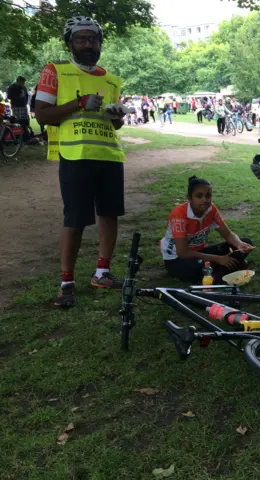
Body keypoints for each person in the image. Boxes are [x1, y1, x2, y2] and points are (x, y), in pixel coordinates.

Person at [34, 16, 129, 308]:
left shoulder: (111, 78)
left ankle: (102, 272)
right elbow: (42, 115)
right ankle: (66, 283)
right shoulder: (55, 71)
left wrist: (117, 117)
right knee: (75, 220)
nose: (89, 44)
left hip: (109, 155)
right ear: (70, 43)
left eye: (93, 39)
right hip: (75, 156)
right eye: (82, 39)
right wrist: (78, 102)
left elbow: (115, 126)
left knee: (109, 215)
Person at [161, 176, 255, 283]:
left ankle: (225, 269)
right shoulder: (179, 215)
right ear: (189, 198)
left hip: (198, 253)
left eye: (208, 196)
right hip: (177, 260)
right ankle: (227, 270)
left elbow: (228, 235)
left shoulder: (211, 209)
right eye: (199, 196)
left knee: (246, 242)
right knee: (210, 266)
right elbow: (183, 252)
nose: (204, 200)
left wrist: (239, 244)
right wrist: (218, 259)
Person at [7, 76, 30, 140]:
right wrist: (18, 98)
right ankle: (17, 135)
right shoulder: (12, 87)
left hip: (23, 106)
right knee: (18, 121)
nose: (23, 83)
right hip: (16, 106)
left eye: (24, 82)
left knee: (25, 121)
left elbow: (26, 96)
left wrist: (25, 103)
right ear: (18, 81)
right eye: (22, 82)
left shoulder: (24, 87)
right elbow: (9, 97)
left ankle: (25, 135)